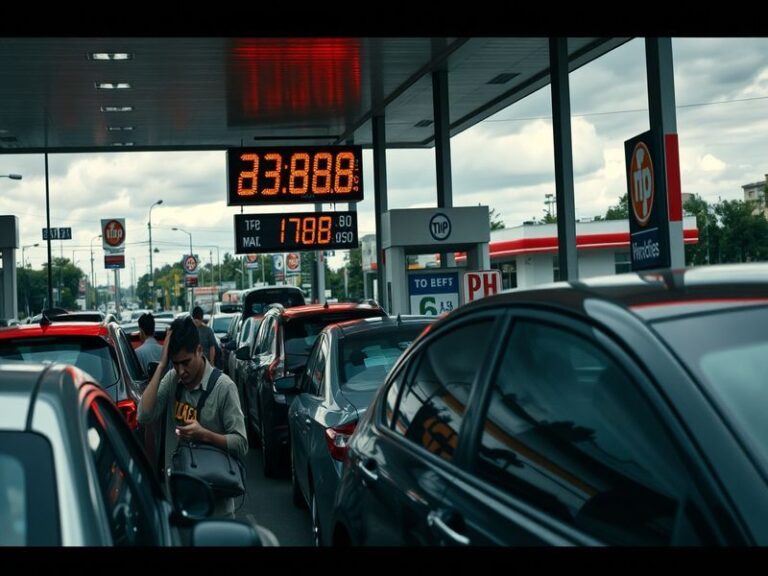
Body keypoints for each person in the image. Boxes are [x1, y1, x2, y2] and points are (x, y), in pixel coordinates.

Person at [137, 316, 248, 518]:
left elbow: (241, 443)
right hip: (180, 504)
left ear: (199, 350)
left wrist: (204, 435)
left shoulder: (224, 387)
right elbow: (144, 416)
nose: (181, 370)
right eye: (175, 363)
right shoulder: (172, 380)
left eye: (186, 362)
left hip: (216, 508)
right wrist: (162, 366)